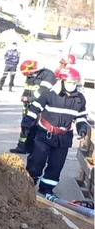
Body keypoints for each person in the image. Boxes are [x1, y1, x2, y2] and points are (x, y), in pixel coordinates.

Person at [23, 67, 88, 196]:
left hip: (63, 138)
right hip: (44, 134)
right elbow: (34, 109)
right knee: (36, 161)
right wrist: (26, 124)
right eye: (69, 82)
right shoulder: (49, 94)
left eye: (74, 82)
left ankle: (46, 188)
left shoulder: (80, 98)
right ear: (62, 81)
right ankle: (28, 184)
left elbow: (81, 116)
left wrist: (82, 128)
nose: (72, 85)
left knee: (56, 166)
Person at [9, 60, 57, 154]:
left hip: (40, 107)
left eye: (27, 73)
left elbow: (43, 91)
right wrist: (24, 97)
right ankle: (22, 146)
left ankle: (34, 149)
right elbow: (27, 88)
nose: (27, 75)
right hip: (28, 105)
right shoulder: (31, 76)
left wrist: (29, 98)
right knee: (25, 126)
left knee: (37, 128)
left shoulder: (48, 75)